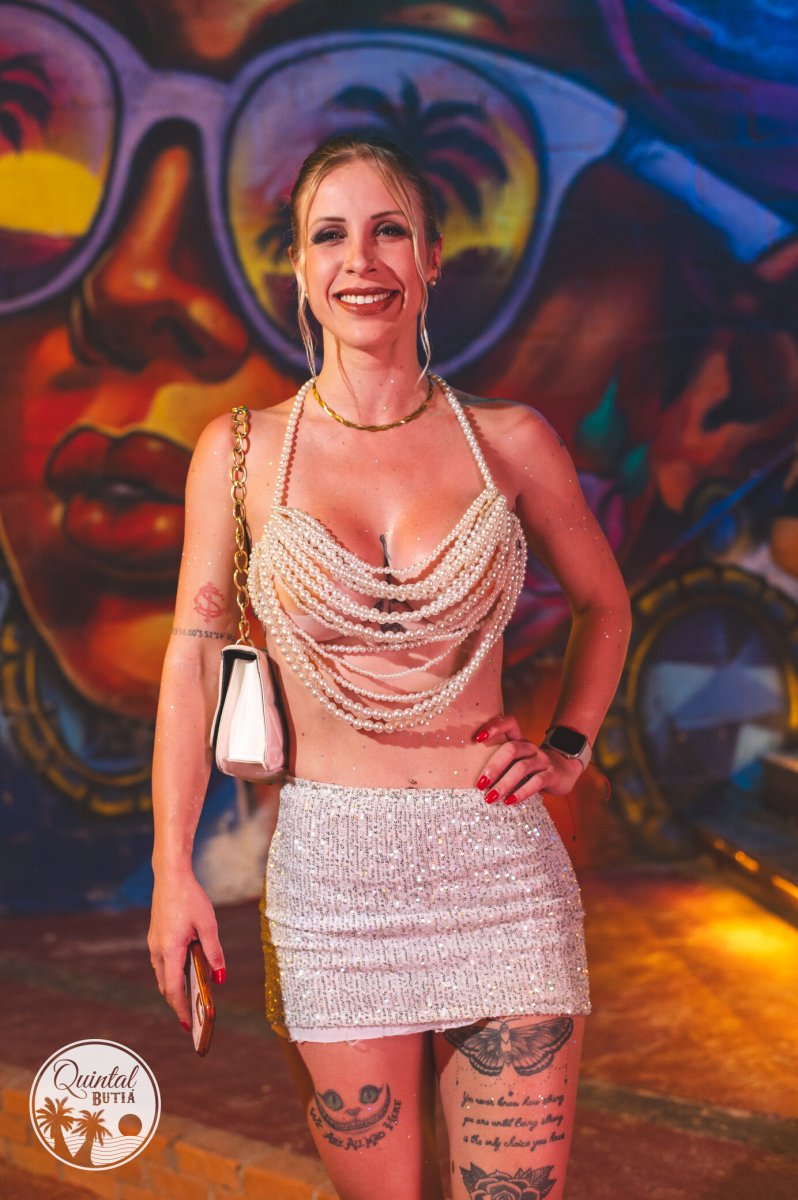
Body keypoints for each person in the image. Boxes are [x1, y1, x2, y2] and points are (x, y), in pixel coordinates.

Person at [148, 132, 630, 1200]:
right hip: (333, 880)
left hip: (500, 869)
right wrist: (171, 869)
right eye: (330, 235)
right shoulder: (239, 452)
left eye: (389, 231)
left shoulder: (511, 441)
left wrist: (568, 746)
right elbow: (192, 659)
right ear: (299, 268)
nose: (360, 260)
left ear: (432, 259)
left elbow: (605, 603)